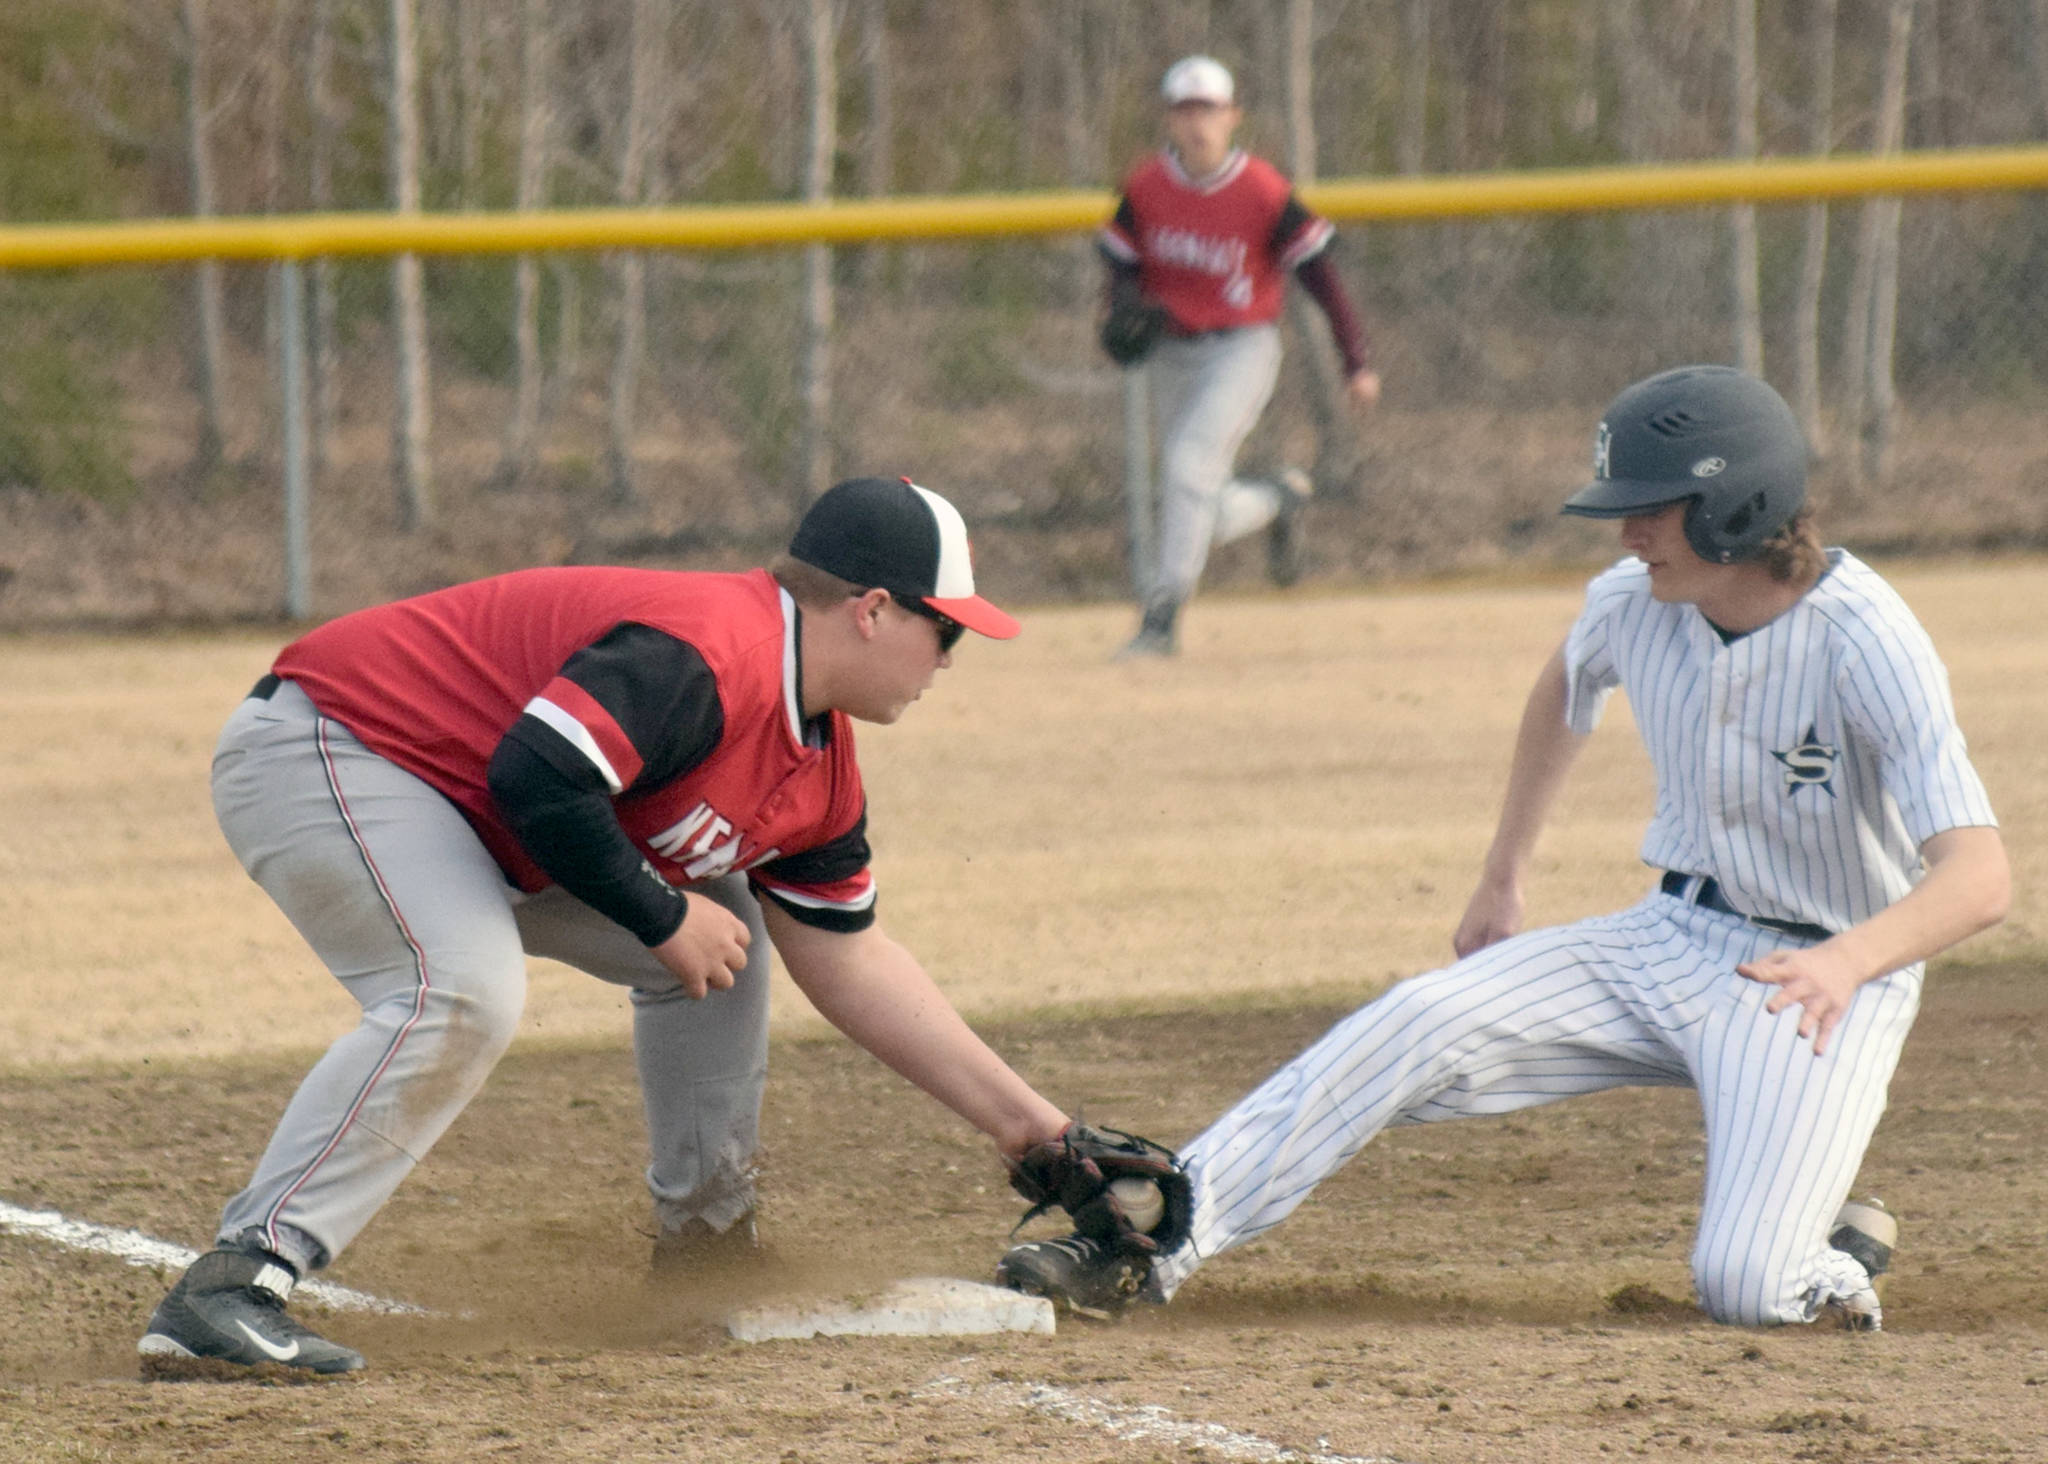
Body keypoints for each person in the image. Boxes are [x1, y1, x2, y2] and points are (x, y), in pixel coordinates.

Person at [999, 366, 2009, 1329]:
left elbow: (1977, 877)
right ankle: (1147, 1246)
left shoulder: (1863, 638)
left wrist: (1845, 960)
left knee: (1745, 1283)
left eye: (1651, 508)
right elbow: (1561, 692)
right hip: (1667, 940)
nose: (1628, 530)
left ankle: (1825, 1259)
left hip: (1818, 983)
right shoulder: (1631, 601)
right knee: (1410, 1023)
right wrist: (1502, 873)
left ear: (1733, 507)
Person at [139, 476, 1079, 1376]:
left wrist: (1037, 1133)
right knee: (463, 991)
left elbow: (849, 960)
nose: (951, 657)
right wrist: (662, 913)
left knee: (727, 939)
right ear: (872, 610)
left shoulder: (819, 760)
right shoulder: (715, 650)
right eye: (944, 627)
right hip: (340, 745)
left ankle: (706, 1249)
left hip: (467, 808)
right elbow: (538, 776)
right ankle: (237, 1281)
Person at [1104, 53, 1382, 659]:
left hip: (1242, 349)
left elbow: (1320, 277)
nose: (1196, 121)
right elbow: (1120, 261)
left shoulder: (1260, 190)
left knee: (1184, 470)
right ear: (1170, 120)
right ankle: (1278, 499)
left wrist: (1354, 361)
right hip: (1171, 355)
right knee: (1194, 493)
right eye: (1184, 108)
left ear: (1232, 116)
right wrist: (1120, 304)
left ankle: (1162, 616)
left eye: (1207, 108)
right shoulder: (1147, 186)